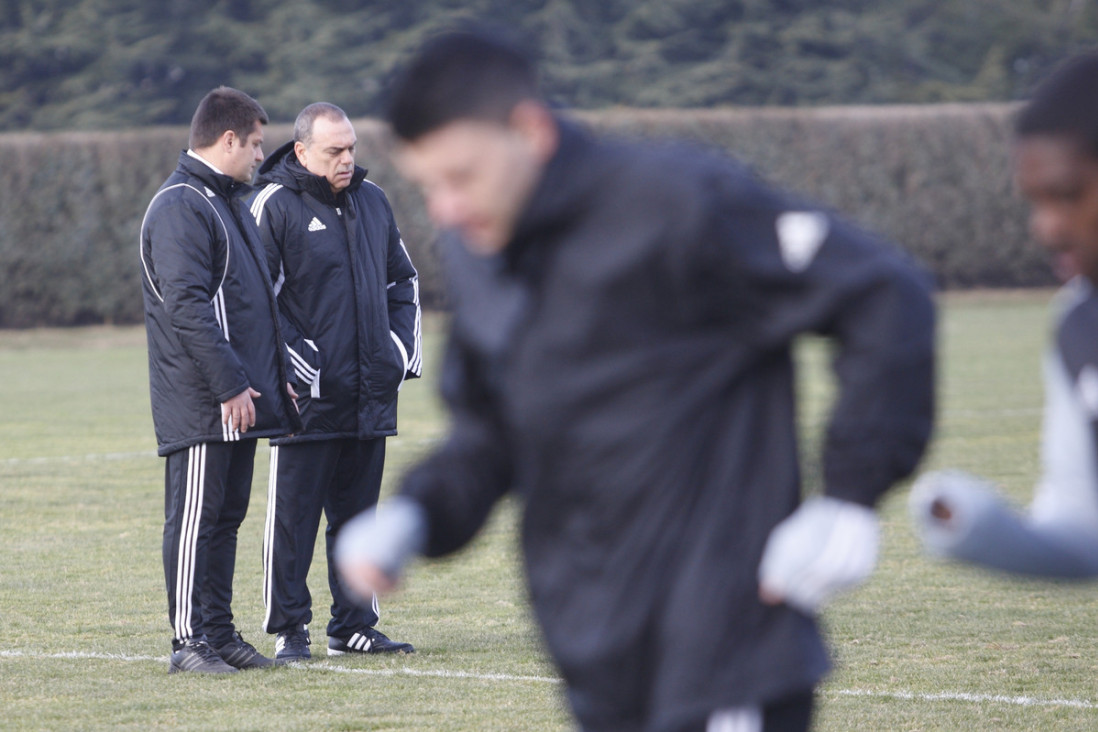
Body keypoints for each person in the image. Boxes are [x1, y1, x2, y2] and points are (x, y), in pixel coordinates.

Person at [336, 30, 935, 732]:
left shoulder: (676, 201)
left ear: (528, 131)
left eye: (461, 176)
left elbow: (881, 292)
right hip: (595, 657)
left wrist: (851, 493)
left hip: (728, 652)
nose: (445, 208)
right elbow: (492, 433)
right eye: (428, 184)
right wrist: (416, 515)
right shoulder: (478, 257)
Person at [909, 52, 1098, 578]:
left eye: (1068, 194)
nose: (1048, 228)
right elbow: (1086, 533)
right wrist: (980, 527)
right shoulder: (1080, 323)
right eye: (1034, 202)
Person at [248, 102, 421, 661]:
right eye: (334, 151)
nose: (347, 160)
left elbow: (404, 282)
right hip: (306, 403)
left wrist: (396, 355)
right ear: (301, 151)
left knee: (359, 522)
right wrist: (303, 368)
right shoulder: (273, 205)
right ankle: (289, 630)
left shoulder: (373, 201)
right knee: (293, 522)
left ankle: (354, 625)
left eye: (351, 149)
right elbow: (255, 300)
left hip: (370, 396)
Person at [139, 86, 301, 674]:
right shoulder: (182, 205)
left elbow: (252, 305)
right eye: (256, 144)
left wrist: (271, 378)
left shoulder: (226, 201)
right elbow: (187, 308)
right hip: (205, 401)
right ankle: (188, 643)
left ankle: (220, 633)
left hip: (239, 398)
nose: (262, 155)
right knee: (194, 520)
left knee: (226, 519)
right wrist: (231, 385)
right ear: (228, 139)